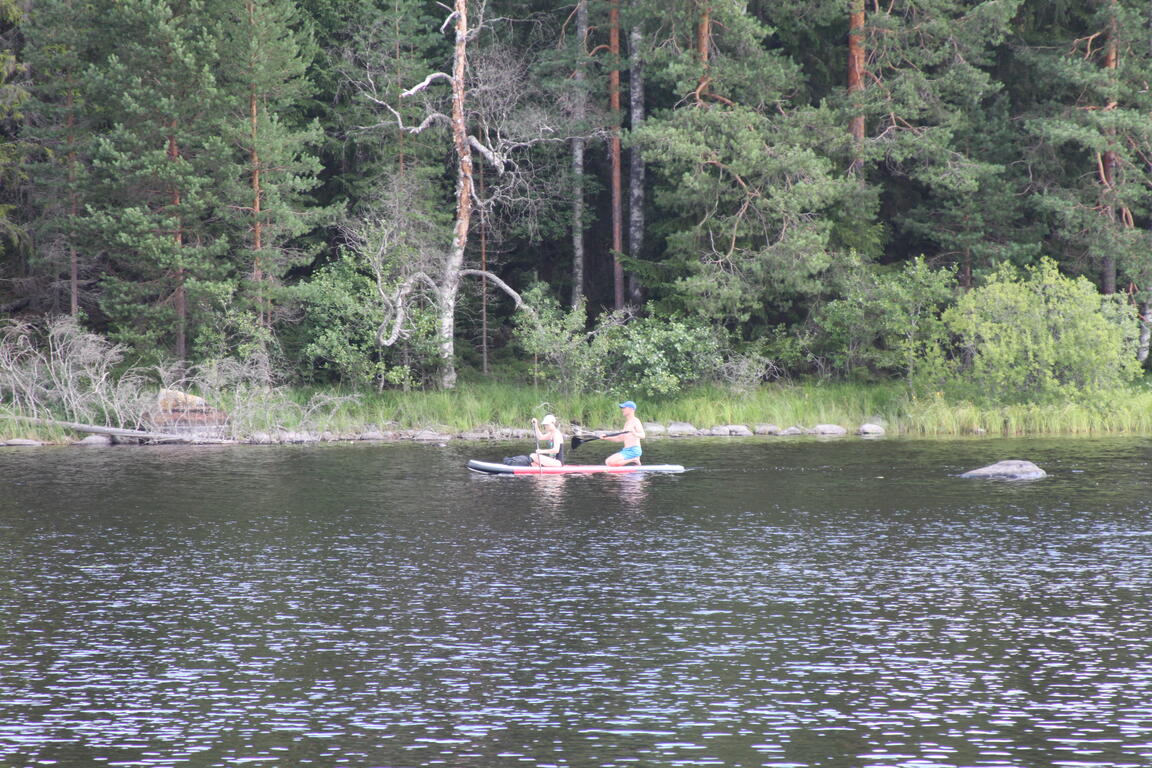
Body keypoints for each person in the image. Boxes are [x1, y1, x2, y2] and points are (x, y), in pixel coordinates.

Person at [601, 400, 645, 466]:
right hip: (626, 450)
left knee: (610, 463)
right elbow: (619, 438)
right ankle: (634, 460)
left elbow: (643, 435)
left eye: (624, 408)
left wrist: (634, 433)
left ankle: (634, 459)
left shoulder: (636, 421)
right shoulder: (627, 423)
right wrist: (606, 438)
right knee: (607, 461)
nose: (622, 410)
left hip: (634, 450)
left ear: (631, 409)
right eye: (622, 408)